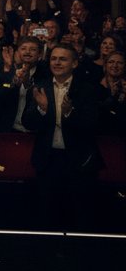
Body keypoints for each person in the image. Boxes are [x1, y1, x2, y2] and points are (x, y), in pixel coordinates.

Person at [22, 44, 102, 230]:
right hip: (48, 159)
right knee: (48, 214)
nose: (56, 62)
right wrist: (42, 109)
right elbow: (27, 122)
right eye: (53, 58)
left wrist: (69, 113)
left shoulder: (87, 89)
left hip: (79, 161)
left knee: (78, 215)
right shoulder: (40, 86)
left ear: (74, 63)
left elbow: (93, 125)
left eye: (62, 59)